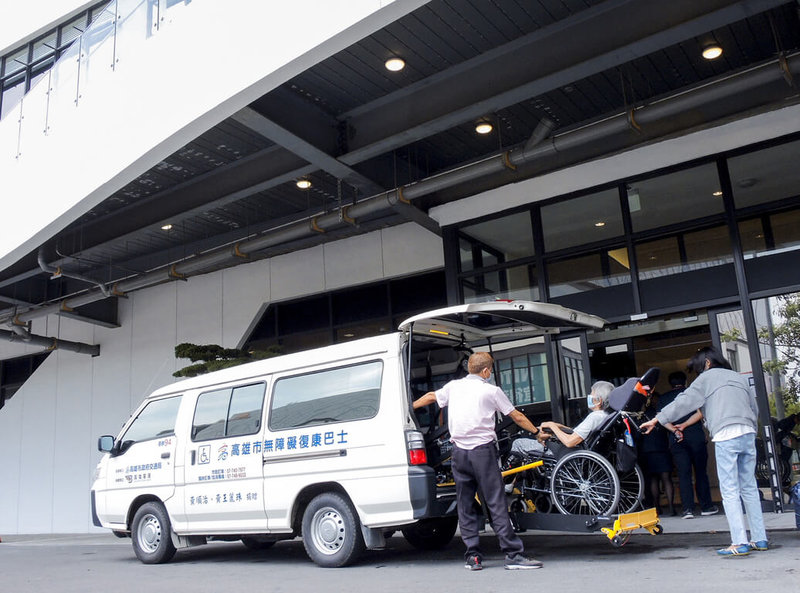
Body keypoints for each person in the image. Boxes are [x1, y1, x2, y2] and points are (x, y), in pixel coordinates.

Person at [412, 352, 543, 571]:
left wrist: (407, 409)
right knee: (495, 502)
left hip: (459, 454)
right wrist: (537, 431)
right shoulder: (491, 391)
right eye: (490, 370)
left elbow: (430, 397)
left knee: (465, 504)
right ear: (485, 371)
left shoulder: (453, 387)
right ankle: (513, 555)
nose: (490, 373)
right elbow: (516, 416)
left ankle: (473, 556)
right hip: (483, 452)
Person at [641, 347, 767, 557]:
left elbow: (682, 402)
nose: (700, 373)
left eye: (700, 368)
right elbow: (754, 408)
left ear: (707, 363)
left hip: (727, 434)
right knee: (749, 487)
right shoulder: (738, 378)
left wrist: (656, 419)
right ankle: (760, 538)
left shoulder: (706, 378)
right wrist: (751, 428)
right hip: (747, 432)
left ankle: (739, 542)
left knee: (729, 490)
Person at [658, 371, 718, 519]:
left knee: (684, 474)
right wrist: (684, 425)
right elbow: (700, 413)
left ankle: (687, 510)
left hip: (677, 440)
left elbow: (661, 418)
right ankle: (706, 506)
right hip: (695, 436)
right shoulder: (692, 394)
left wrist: (675, 429)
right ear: (685, 382)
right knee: (700, 473)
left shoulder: (664, 398)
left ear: (670, 383)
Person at [509, 380, 615, 457]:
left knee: (518, 443)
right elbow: (575, 433)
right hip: (575, 450)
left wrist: (551, 426)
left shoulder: (594, 417)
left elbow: (570, 442)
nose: (589, 395)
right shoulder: (603, 416)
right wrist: (558, 426)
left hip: (567, 451)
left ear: (599, 400)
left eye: (592, 393)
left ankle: (508, 484)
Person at [639, 395, 676, 516]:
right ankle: (671, 507)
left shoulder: (641, 416)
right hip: (662, 449)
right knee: (667, 479)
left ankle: (657, 507)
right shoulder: (660, 415)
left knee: (653, 480)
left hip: (648, 451)